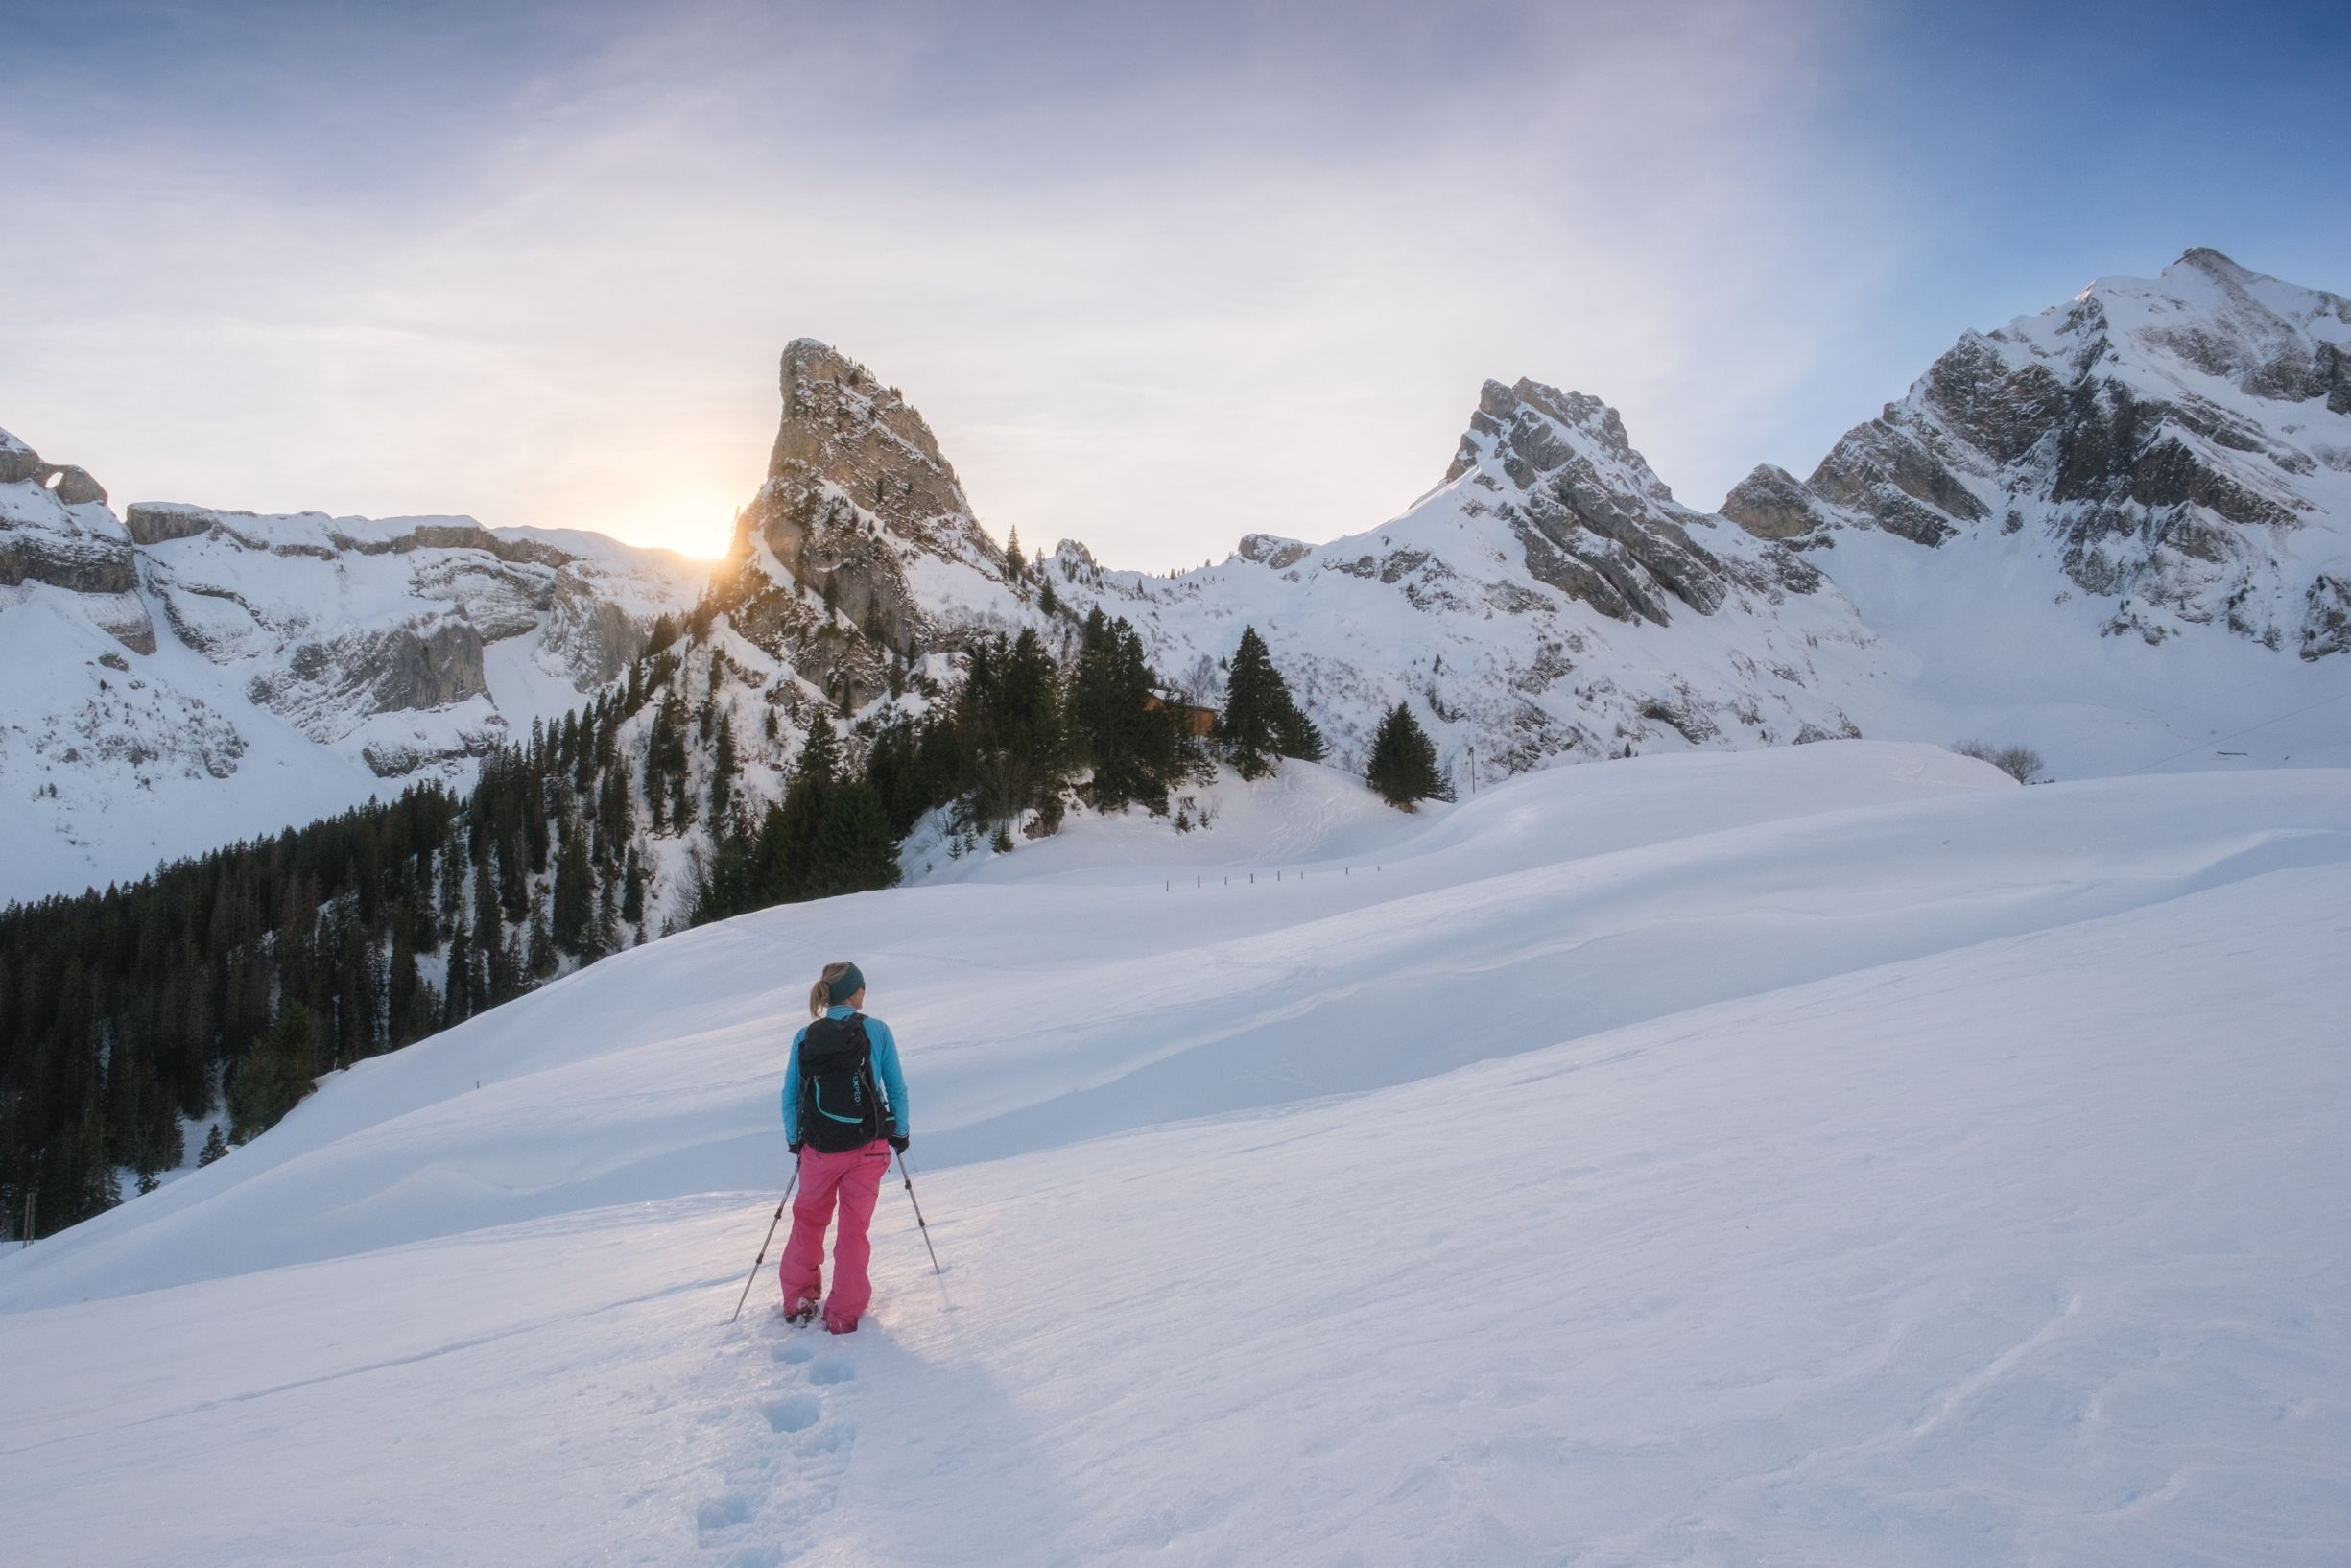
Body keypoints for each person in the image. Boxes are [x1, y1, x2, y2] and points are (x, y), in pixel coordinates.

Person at [777, 960, 910, 1334]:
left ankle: (799, 1300)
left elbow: (789, 1095)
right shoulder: (878, 1031)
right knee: (854, 1231)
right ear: (854, 993)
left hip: (819, 1149)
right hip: (869, 1147)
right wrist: (899, 1131)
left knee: (808, 1221)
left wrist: (794, 1139)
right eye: (862, 987)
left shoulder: (805, 1036)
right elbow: (896, 1088)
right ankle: (843, 1315)